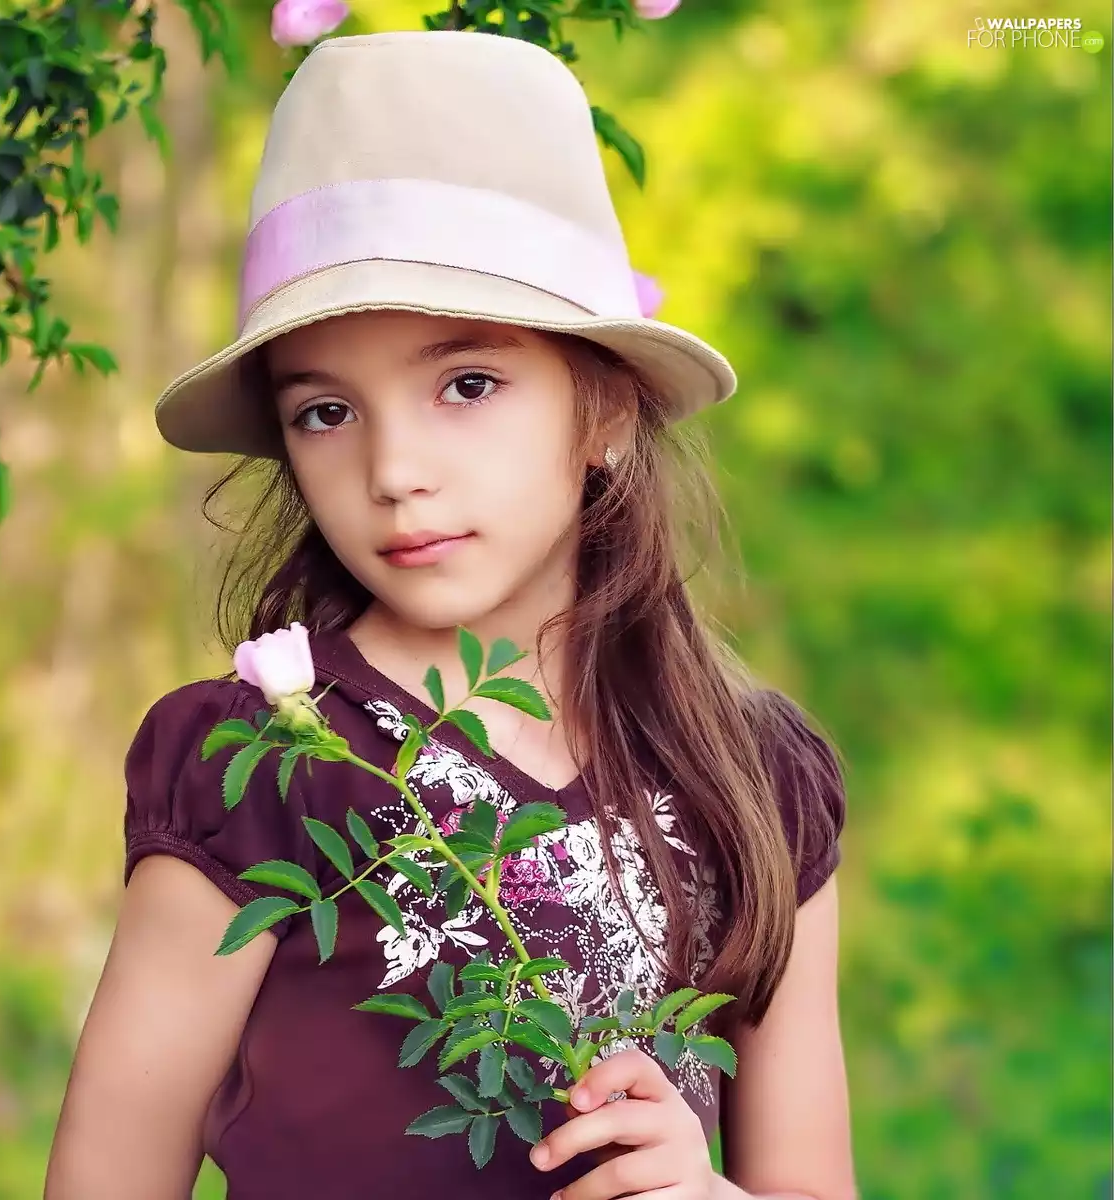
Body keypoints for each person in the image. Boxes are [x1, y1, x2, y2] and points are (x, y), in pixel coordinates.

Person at [47, 30, 856, 1200]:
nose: (394, 470)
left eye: (466, 385)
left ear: (606, 412)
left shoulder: (756, 780)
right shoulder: (257, 768)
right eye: (326, 411)